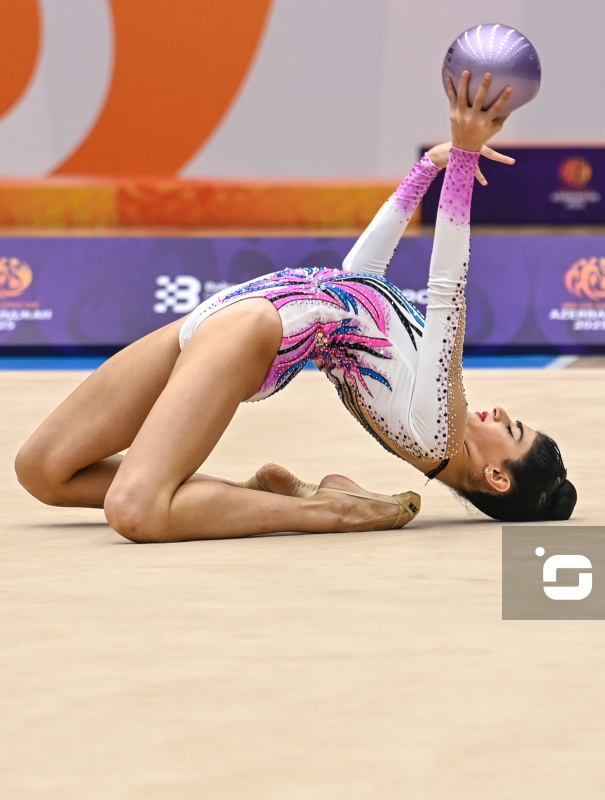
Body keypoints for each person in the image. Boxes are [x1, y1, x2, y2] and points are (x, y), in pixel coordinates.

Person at [13, 71, 576, 543]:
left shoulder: (437, 433)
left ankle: (331, 512)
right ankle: (249, 496)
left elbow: (448, 288)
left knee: (135, 511)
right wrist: (427, 169)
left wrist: (464, 165)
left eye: (513, 430)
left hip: (254, 329)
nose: (501, 412)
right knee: (43, 470)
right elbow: (357, 274)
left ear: (497, 477)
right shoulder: (431, 406)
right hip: (229, 310)